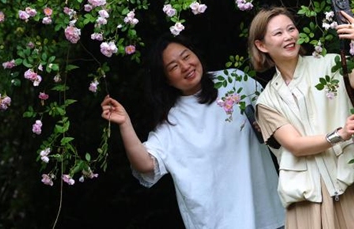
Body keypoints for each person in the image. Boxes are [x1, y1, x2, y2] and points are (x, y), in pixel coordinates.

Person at [100, 33, 285, 229]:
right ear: (166, 79)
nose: (185, 66)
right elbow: (145, 164)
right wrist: (125, 123)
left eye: (186, 56)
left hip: (268, 215)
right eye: (173, 66)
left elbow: (276, 119)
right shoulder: (172, 122)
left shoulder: (234, 81)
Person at [247, 6, 354, 229]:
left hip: (352, 180)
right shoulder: (267, 101)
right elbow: (295, 145)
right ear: (261, 45)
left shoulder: (329, 63)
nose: (288, 37)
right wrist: (340, 134)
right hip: (309, 198)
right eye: (278, 33)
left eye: (291, 29)